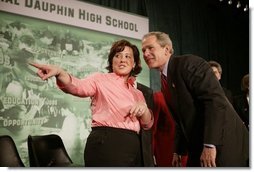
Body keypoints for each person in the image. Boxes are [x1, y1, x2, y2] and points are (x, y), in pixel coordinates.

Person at [30, 39, 154, 167]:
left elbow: (147, 124)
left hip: (133, 149)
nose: (122, 59)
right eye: (118, 56)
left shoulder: (138, 93)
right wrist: (59, 73)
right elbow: (77, 86)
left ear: (134, 64)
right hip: (107, 145)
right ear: (112, 61)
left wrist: (144, 110)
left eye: (127, 56)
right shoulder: (100, 79)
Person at [141, 31, 249, 167]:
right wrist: (179, 151)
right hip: (198, 145)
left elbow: (215, 101)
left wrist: (210, 144)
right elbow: (181, 119)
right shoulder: (165, 81)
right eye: (143, 50)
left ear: (166, 49)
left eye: (150, 48)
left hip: (223, 143)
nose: (145, 54)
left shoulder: (188, 63)